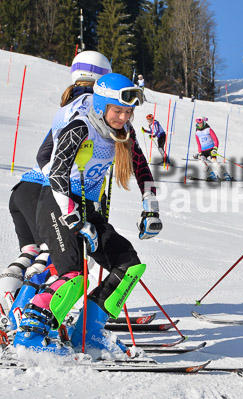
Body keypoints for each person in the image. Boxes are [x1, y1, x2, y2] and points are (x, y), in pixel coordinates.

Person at [13, 73, 162, 357]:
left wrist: (150, 206)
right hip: (57, 204)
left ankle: (88, 333)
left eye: (128, 111)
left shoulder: (123, 132)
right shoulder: (80, 126)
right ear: (101, 106)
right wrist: (74, 219)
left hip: (87, 208)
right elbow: (56, 174)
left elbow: (142, 168)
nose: (123, 117)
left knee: (128, 265)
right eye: (117, 110)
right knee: (73, 274)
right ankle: (30, 334)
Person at [0, 50, 112, 327]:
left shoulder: (67, 107)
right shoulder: (90, 108)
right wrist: (60, 184)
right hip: (47, 192)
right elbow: (49, 157)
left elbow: (43, 156)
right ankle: (26, 313)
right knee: (53, 255)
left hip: (24, 189)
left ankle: (10, 303)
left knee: (32, 252)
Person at [193, 117, 233, 181]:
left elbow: (216, 140)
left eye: (200, 123)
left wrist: (215, 149)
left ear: (204, 122)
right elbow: (199, 144)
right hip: (203, 151)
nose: (199, 124)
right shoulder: (197, 132)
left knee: (214, 163)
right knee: (200, 161)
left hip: (211, 149)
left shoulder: (208, 129)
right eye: (198, 123)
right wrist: (200, 152)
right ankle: (211, 175)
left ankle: (226, 175)